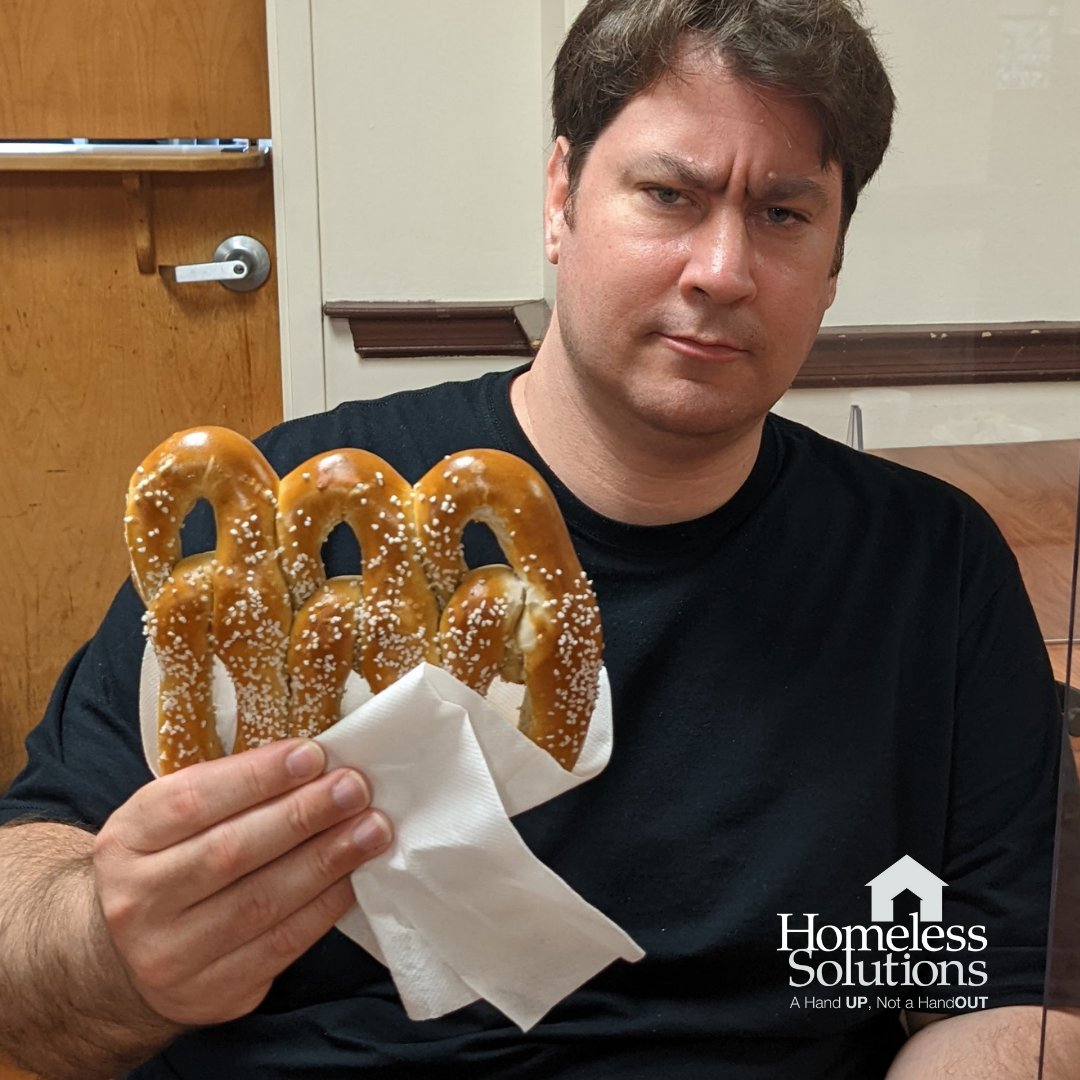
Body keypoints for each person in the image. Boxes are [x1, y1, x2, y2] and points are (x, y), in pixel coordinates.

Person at [1, 0, 1076, 1076]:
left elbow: (1012, 1002)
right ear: (560, 197)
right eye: (669, 195)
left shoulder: (933, 572)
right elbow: (25, 923)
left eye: (785, 214)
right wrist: (113, 946)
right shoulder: (282, 524)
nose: (722, 269)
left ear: (836, 260)